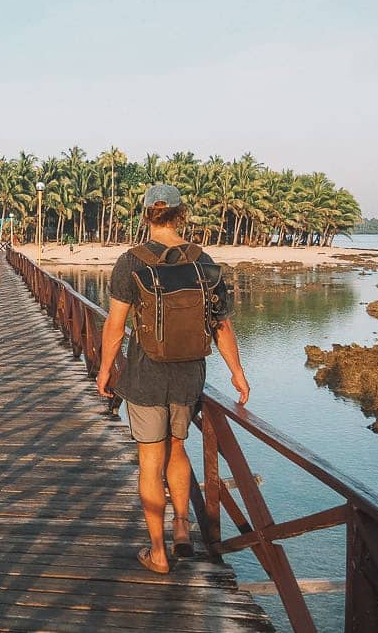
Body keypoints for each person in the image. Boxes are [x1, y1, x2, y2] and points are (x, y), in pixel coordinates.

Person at [95, 184, 251, 575]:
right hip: (189, 373)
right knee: (178, 449)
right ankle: (183, 528)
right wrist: (237, 373)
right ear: (181, 215)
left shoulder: (132, 262)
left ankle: (158, 553)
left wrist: (105, 369)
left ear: (146, 215)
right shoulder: (203, 261)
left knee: (151, 461)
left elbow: (115, 326)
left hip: (147, 373)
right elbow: (223, 326)